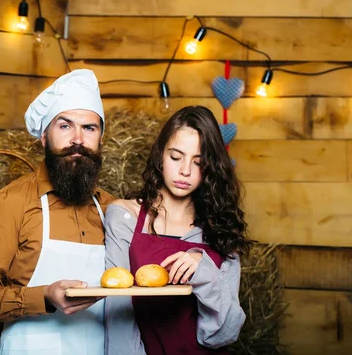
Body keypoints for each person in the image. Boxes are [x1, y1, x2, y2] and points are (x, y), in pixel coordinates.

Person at [0, 69, 115, 355]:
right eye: (65, 126)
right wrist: (43, 296)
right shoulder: (8, 203)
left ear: (101, 138)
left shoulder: (112, 210)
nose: (77, 139)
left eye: (89, 128)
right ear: (44, 136)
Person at [104, 106, 252, 355]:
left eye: (199, 162)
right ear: (160, 155)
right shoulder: (124, 216)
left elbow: (224, 334)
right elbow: (116, 312)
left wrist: (204, 271)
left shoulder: (221, 231)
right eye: (176, 157)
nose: (185, 170)